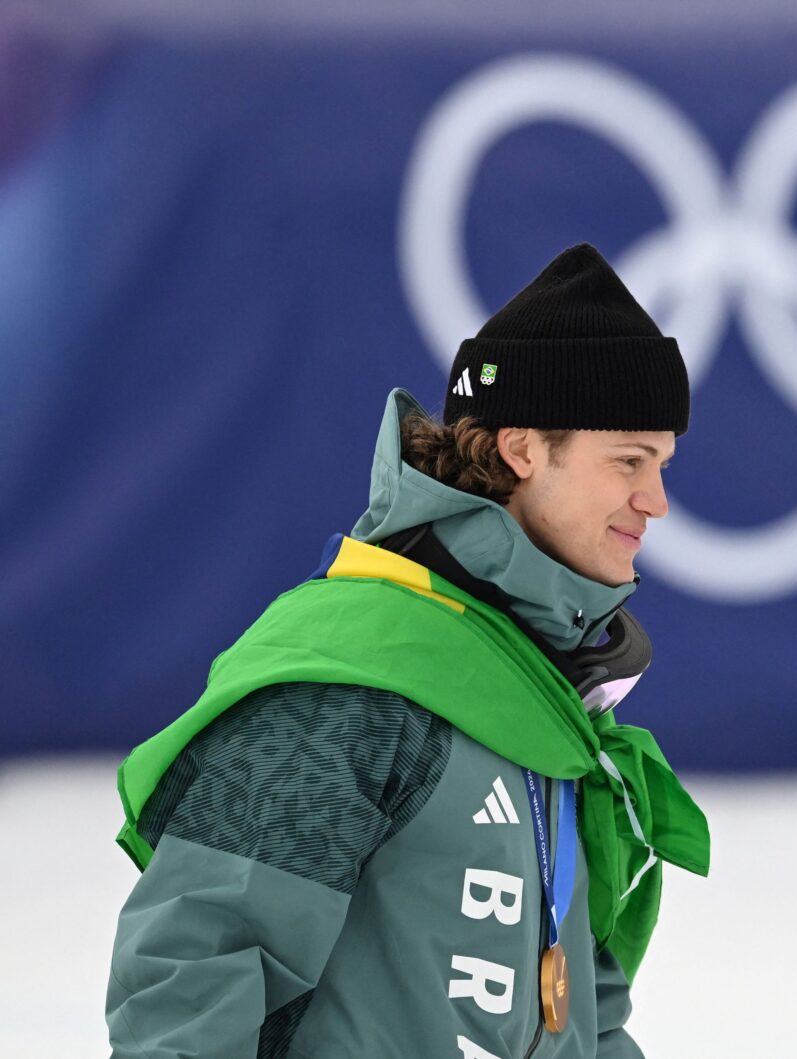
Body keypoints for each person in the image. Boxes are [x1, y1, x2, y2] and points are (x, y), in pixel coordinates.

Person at [106, 243, 710, 1059]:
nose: (657, 500)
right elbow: (193, 974)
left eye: (662, 463)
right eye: (630, 461)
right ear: (524, 447)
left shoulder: (547, 693)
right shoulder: (356, 682)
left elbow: (582, 1013)